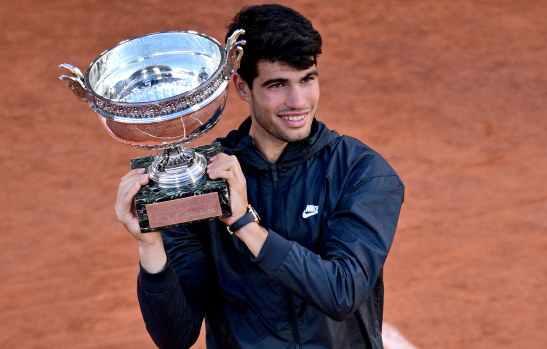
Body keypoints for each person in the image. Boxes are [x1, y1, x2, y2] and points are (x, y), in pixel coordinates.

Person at [115, 4, 404, 348]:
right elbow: (175, 336)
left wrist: (244, 224)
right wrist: (149, 246)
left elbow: (341, 292)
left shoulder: (360, 171)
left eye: (308, 79)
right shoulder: (203, 180)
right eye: (278, 84)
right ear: (241, 87)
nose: (298, 101)